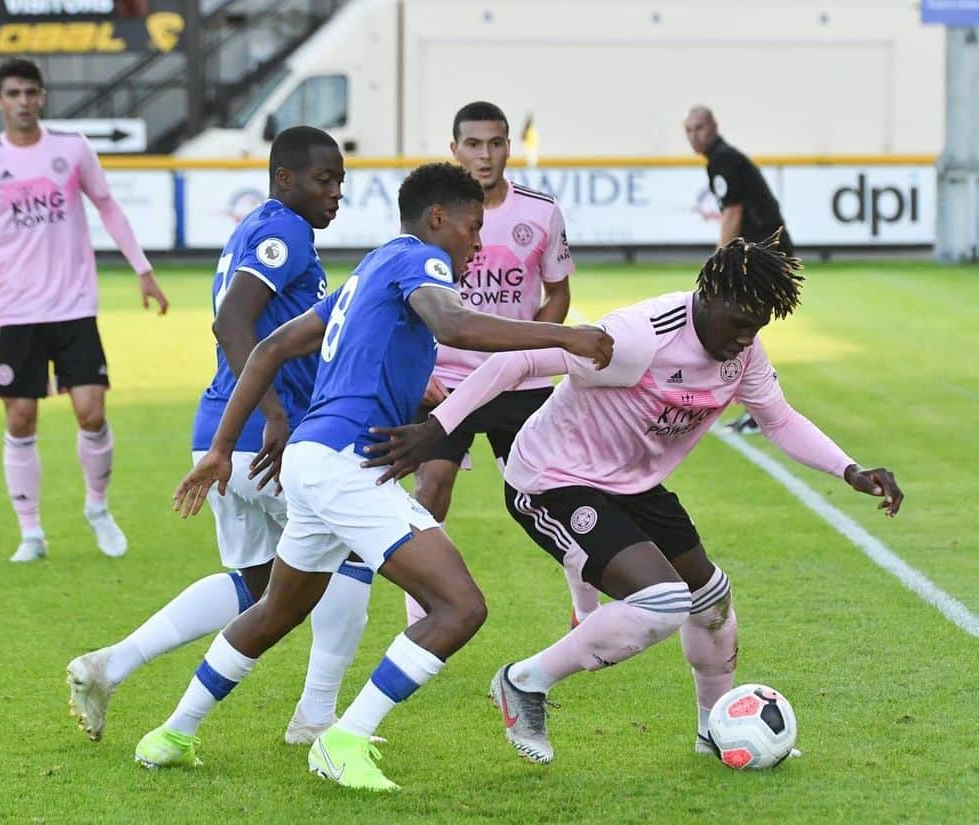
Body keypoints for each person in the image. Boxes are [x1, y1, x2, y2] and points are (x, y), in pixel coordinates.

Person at [135, 162, 613, 790]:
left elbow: (271, 348)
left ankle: (171, 734)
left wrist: (223, 446)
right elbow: (455, 325)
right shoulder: (422, 260)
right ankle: (344, 738)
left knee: (277, 610)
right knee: (459, 607)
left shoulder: (369, 269)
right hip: (344, 467)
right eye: (473, 228)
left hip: (312, 461)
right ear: (437, 218)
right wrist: (569, 337)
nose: (478, 244)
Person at [363, 232, 903, 765]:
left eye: (758, 326)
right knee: (664, 601)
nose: (747, 337)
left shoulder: (744, 353)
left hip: (633, 484)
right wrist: (439, 425)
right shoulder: (642, 337)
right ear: (707, 296)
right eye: (741, 322)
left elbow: (779, 419)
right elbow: (521, 362)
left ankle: (713, 731)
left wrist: (849, 469)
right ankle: (524, 682)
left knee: (710, 599)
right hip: (553, 478)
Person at [66, 126, 373, 747]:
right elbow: (230, 321)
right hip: (266, 439)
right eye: (324, 179)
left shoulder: (259, 227)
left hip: (224, 437)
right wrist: (277, 414)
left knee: (259, 585)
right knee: (356, 551)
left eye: (341, 179)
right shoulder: (284, 230)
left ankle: (111, 664)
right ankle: (315, 718)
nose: (336, 192)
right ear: (285, 179)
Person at [0, 57, 168, 562]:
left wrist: (143, 269)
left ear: (42, 96)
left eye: (31, 92)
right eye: (14, 93)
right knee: (22, 419)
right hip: (17, 312)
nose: (23, 101)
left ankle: (98, 508)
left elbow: (107, 205)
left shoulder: (71, 148)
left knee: (91, 413)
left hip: (74, 306)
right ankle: (31, 533)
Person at [405, 101, 585, 625]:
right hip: (450, 381)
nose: (486, 155)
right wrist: (423, 372)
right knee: (432, 488)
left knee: (553, 490)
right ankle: (421, 615)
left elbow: (558, 293)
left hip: (521, 381)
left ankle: (583, 601)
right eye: (474, 144)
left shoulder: (541, 211)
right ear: (454, 149)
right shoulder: (430, 218)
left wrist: (532, 355)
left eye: (496, 143)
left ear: (510, 146)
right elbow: (408, 299)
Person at [684, 104, 793, 434]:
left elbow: (733, 212)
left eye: (699, 128)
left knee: (741, 330)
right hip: (764, 252)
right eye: (688, 130)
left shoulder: (723, 160)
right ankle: (756, 407)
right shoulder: (722, 158)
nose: (694, 136)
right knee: (742, 331)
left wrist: (720, 264)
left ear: (714, 126)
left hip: (762, 254)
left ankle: (761, 408)